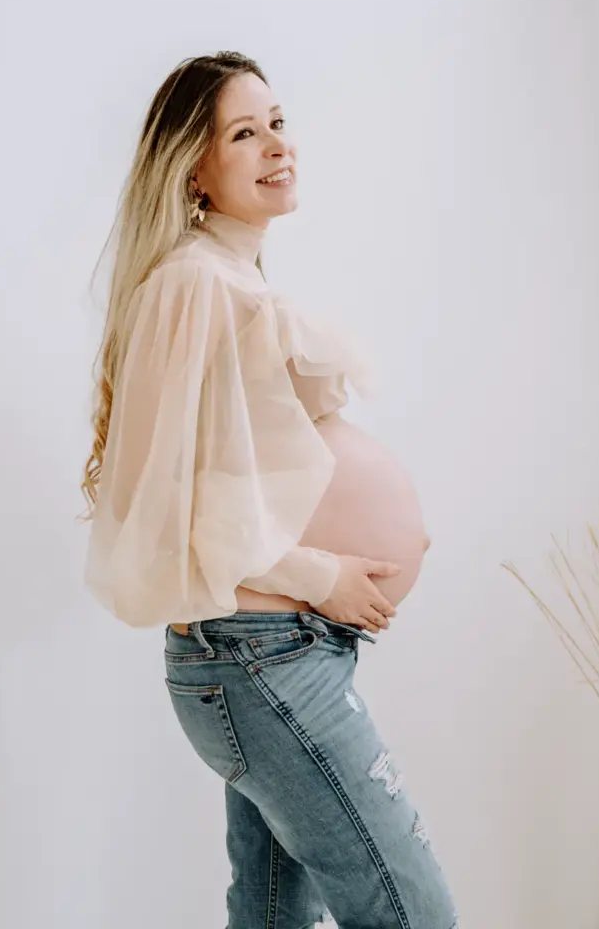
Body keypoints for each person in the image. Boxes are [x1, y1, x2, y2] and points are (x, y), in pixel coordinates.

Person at [81, 51, 457, 929]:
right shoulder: (191, 285)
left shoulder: (236, 279)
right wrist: (325, 579)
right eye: (243, 133)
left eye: (278, 123)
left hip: (275, 652)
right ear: (195, 170)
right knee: (413, 913)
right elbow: (165, 505)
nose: (275, 146)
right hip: (259, 652)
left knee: (275, 916)